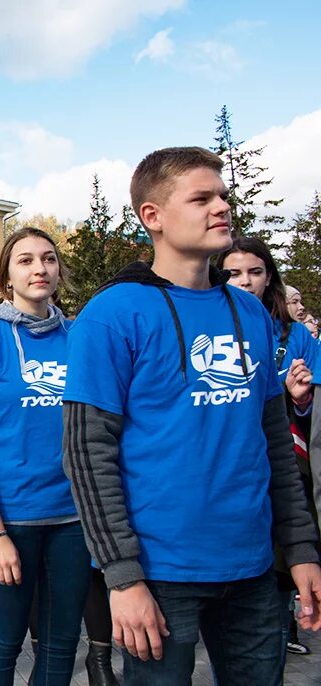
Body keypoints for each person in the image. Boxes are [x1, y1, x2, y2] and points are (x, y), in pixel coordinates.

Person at [62, 147, 321, 686]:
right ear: (152, 217)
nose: (221, 207)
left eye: (223, 196)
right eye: (201, 198)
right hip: (159, 573)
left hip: (252, 567)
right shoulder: (112, 315)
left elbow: (274, 441)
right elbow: (88, 455)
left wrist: (299, 548)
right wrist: (122, 577)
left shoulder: (249, 310)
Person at [0, 227, 90, 686]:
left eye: (48, 259)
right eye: (26, 260)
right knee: (5, 639)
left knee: (61, 641)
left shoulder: (80, 336)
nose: (40, 268)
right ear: (7, 276)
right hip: (9, 519)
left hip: (72, 519)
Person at [220, 237, 320, 661]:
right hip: (230, 469)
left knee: (280, 565)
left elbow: (313, 408)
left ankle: (280, 635)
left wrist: (300, 397)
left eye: (255, 272)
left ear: (269, 278)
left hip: (287, 465)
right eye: (233, 273)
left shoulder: (294, 334)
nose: (245, 282)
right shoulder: (211, 326)